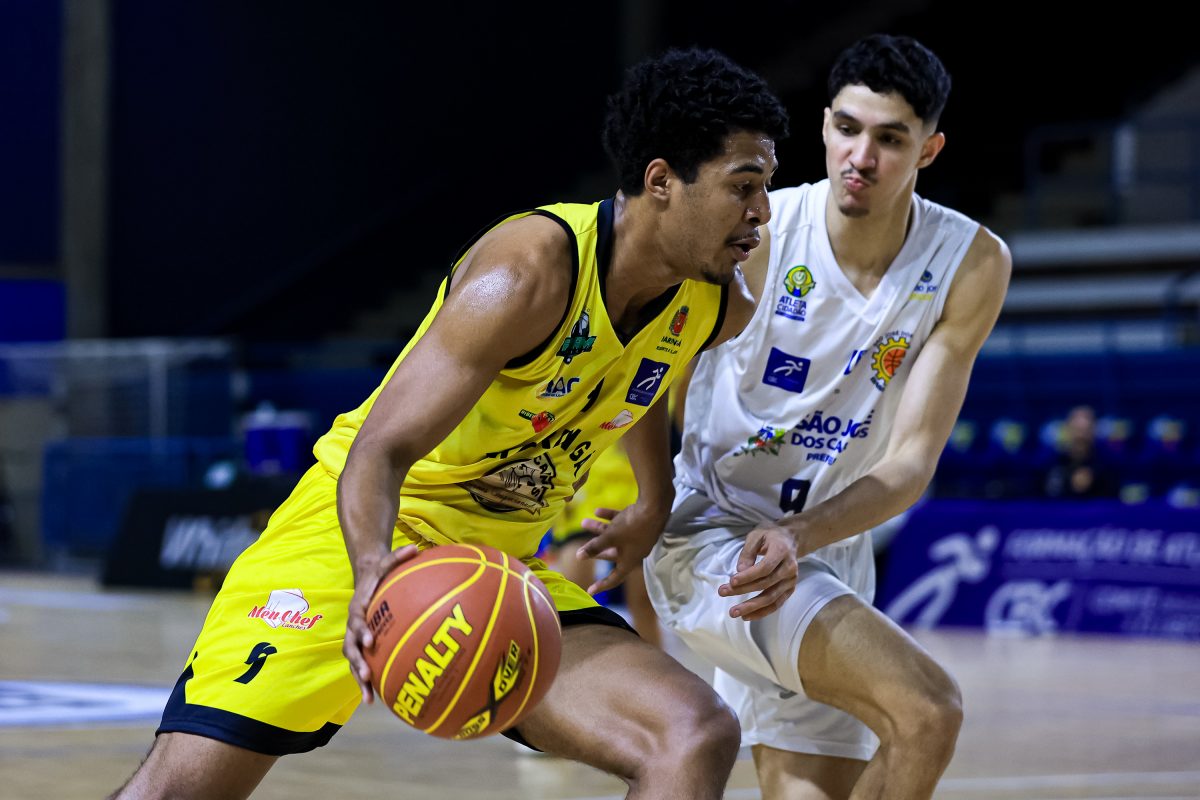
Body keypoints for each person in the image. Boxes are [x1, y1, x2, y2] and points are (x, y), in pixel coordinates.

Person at [112, 48, 787, 800]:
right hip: (362, 538)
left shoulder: (714, 301)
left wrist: (652, 500)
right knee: (178, 793)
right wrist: (374, 571)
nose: (761, 210)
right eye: (743, 186)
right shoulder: (528, 275)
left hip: (494, 571)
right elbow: (380, 450)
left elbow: (645, 375)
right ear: (661, 181)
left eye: (766, 187)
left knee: (692, 734)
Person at [636, 35, 1012, 800]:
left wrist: (802, 537)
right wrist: (649, 502)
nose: (860, 157)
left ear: (929, 149)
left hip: (824, 552)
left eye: (890, 139)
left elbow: (910, 465)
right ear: (824, 125)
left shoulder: (971, 263)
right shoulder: (760, 232)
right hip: (717, 537)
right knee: (928, 711)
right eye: (846, 128)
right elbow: (649, 363)